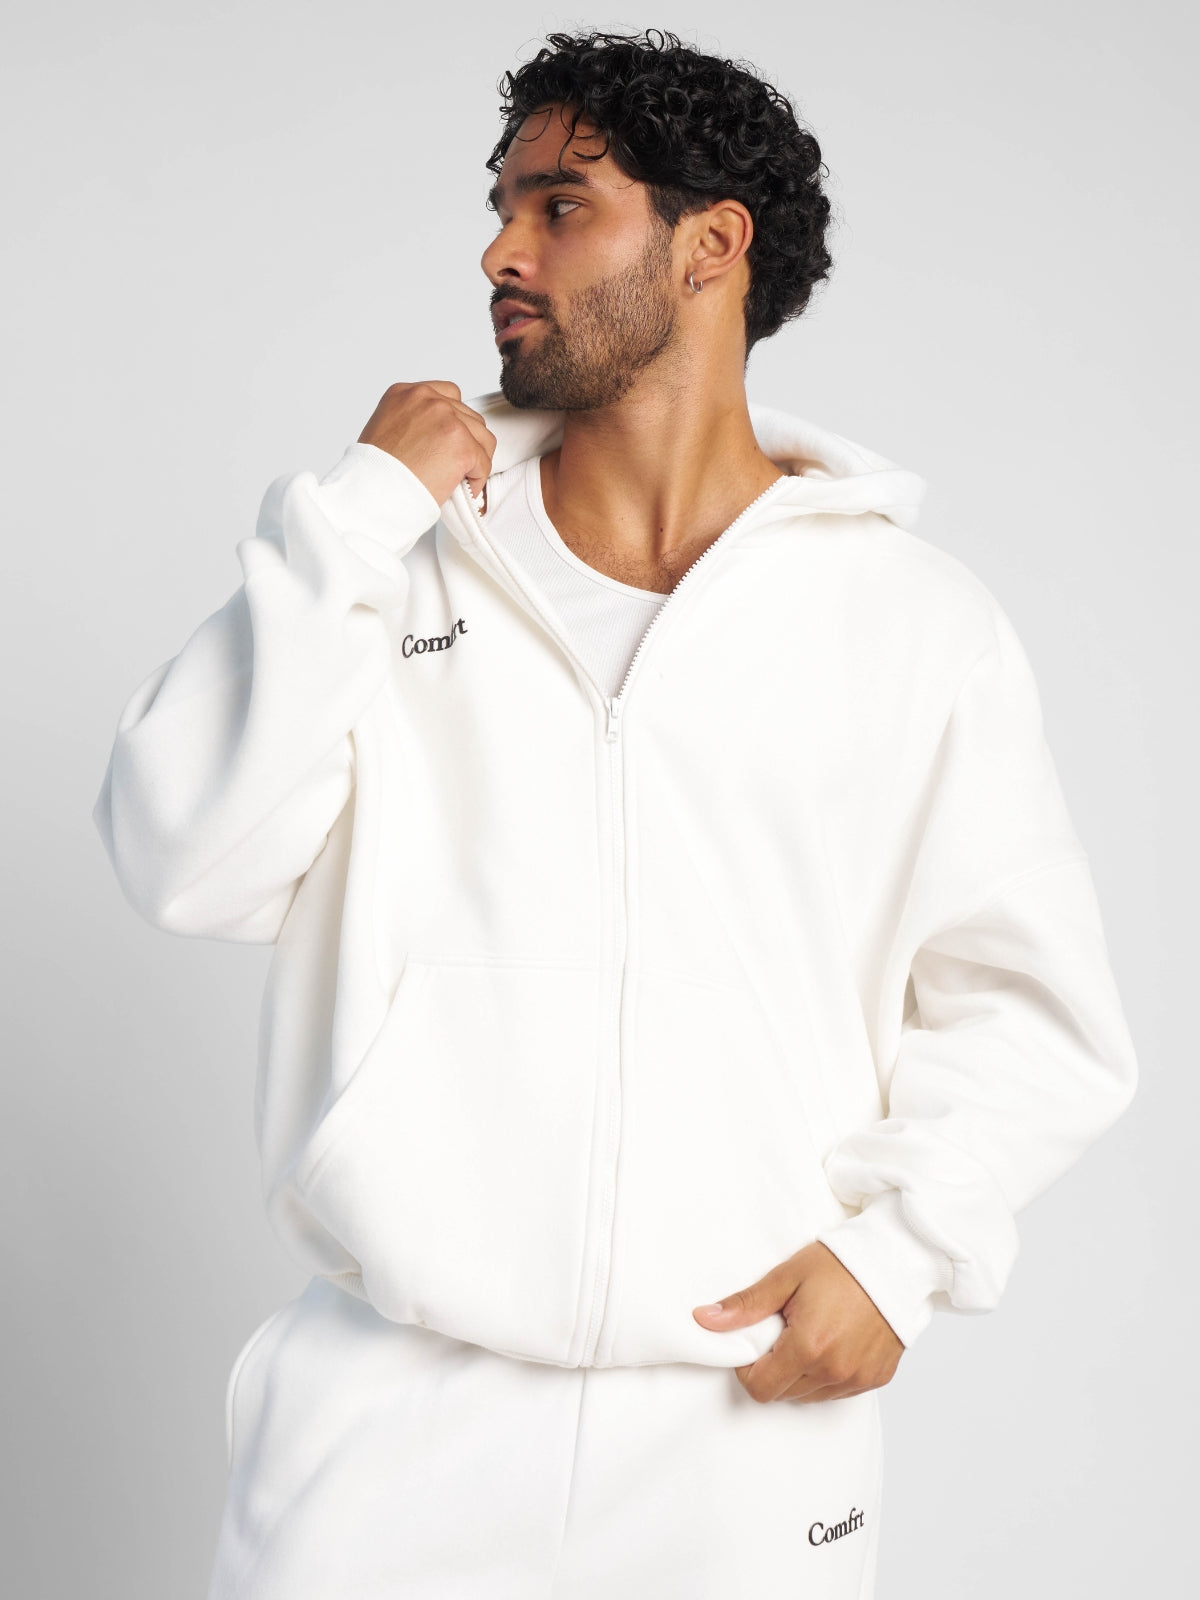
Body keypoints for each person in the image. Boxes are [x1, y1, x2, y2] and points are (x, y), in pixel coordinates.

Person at [92, 27, 1139, 1600]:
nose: (500, 253)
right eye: (503, 207)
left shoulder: (912, 623)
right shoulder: (385, 562)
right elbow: (180, 859)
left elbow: (1033, 1010)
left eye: (561, 206)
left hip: (737, 1430)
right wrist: (360, 517)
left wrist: (898, 1255)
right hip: (390, 1426)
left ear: (713, 245)